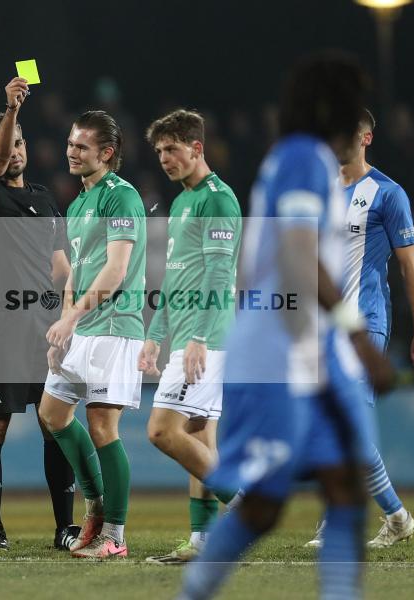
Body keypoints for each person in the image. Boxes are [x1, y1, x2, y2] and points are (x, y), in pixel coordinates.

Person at [179, 53, 393, 600]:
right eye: (352, 109)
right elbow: (298, 255)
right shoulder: (302, 157)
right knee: (264, 504)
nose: (359, 123)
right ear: (332, 111)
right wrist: (357, 336)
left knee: (344, 484)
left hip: (304, 342)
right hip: (280, 349)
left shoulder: (303, 160)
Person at [307, 108, 414, 549]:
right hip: (322, 328)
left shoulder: (387, 193)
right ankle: (386, 518)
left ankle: (373, 519)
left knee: (351, 425)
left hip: (366, 324)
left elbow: (410, 269)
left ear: (366, 139)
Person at [0, 76, 79, 551]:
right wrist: (11, 110)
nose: (15, 150)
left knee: (55, 423)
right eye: (6, 144)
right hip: (1, 327)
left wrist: (72, 310)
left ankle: (65, 528)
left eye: (20, 142)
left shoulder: (45, 198)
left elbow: (60, 266)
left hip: (44, 327)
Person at [38, 110, 147, 559]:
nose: (71, 152)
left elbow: (116, 271)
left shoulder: (122, 197)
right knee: (52, 414)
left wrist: (72, 318)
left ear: (107, 153)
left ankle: (115, 536)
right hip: (82, 328)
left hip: (114, 325)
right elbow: (75, 274)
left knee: (102, 426)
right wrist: (65, 326)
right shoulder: (79, 203)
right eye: (70, 143)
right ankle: (97, 510)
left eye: (81, 146)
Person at [138, 109, 242, 564]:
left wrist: (198, 337)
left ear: (197, 148)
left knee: (162, 431)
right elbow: (175, 277)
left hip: (207, 338)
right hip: (186, 335)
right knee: (199, 436)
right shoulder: (182, 202)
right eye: (159, 151)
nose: (164, 158)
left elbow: (220, 273)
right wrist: (154, 335)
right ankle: (203, 541)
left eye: (172, 149)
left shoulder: (217, 200)